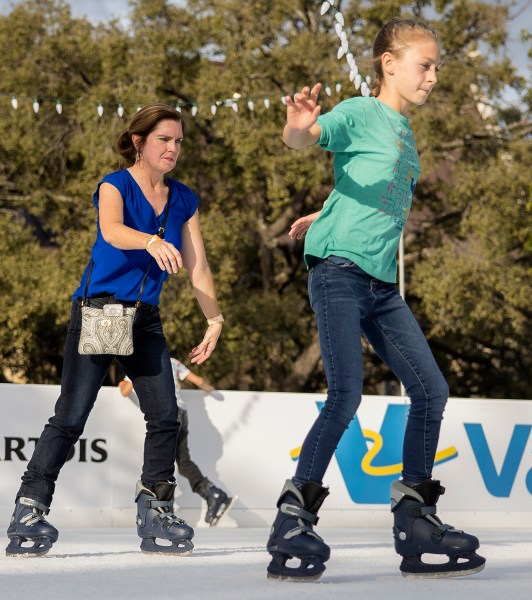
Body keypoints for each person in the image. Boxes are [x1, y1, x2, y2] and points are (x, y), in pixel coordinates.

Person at [267, 18, 485, 581]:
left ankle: (415, 516)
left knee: (431, 390)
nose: (434, 76)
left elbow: (369, 186)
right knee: (346, 394)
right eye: (425, 64)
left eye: (437, 66)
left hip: (381, 282)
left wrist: (329, 207)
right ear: (389, 62)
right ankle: (293, 516)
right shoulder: (362, 111)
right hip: (339, 271)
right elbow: (309, 138)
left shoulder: (405, 132)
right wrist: (299, 128)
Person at [6, 104, 224, 558]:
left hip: (144, 318)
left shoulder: (183, 198)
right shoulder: (115, 184)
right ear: (139, 141)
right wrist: (149, 240)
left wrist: (215, 319)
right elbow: (110, 230)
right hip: (103, 311)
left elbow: (198, 265)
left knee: (165, 416)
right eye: (164, 139)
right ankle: (30, 507)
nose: (173, 148)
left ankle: (155, 508)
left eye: (179, 141)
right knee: (71, 417)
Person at [118, 357, 236, 527]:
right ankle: (213, 494)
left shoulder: (142, 360)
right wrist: (211, 390)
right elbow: (199, 381)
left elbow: (125, 391)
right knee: (183, 462)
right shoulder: (172, 361)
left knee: (162, 462)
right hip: (181, 412)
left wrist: (125, 381)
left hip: (165, 414)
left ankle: (164, 511)